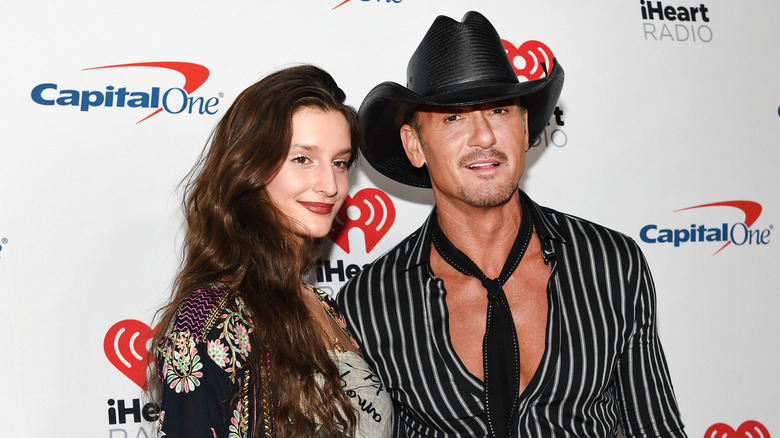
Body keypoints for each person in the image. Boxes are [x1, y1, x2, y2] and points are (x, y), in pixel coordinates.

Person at [337, 11, 687, 438]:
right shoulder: (369, 303)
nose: (484, 137)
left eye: (499, 110)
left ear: (523, 127)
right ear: (415, 145)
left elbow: (654, 426)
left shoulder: (610, 263)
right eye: (453, 117)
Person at [152, 65, 393, 438]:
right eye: (302, 159)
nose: (330, 185)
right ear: (250, 166)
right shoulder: (211, 317)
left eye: (340, 163)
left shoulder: (324, 307)